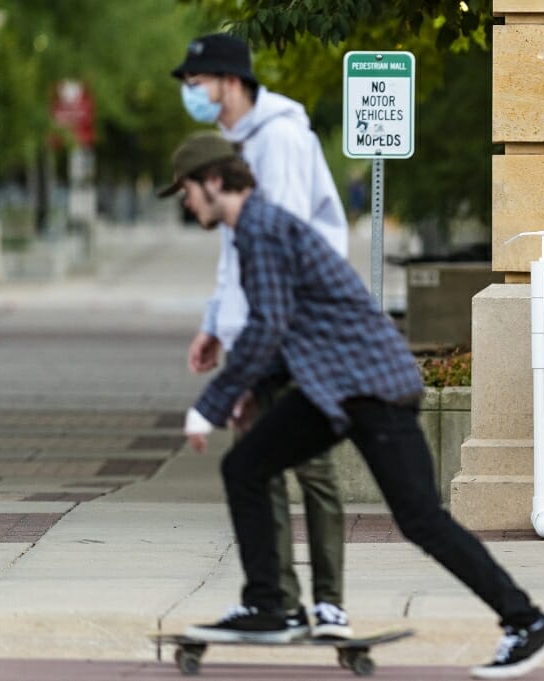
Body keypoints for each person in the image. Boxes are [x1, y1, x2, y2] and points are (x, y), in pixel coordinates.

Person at [159, 133, 544, 679]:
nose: (186, 204)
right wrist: (251, 394)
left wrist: (211, 403)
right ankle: (269, 605)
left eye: (186, 191)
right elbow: (294, 328)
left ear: (212, 181)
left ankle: (527, 622)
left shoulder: (261, 229)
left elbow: (267, 326)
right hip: (336, 390)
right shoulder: (259, 228)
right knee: (246, 465)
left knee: (421, 519)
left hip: (372, 390)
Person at [170, 32, 350, 639]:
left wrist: (261, 346)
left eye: (197, 84)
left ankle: (329, 603)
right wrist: (215, 324)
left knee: (313, 468)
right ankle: (278, 601)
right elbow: (235, 250)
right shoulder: (237, 144)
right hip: (262, 327)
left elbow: (286, 244)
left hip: (301, 324)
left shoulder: (281, 137)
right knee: (260, 465)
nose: (192, 95)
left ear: (229, 80)